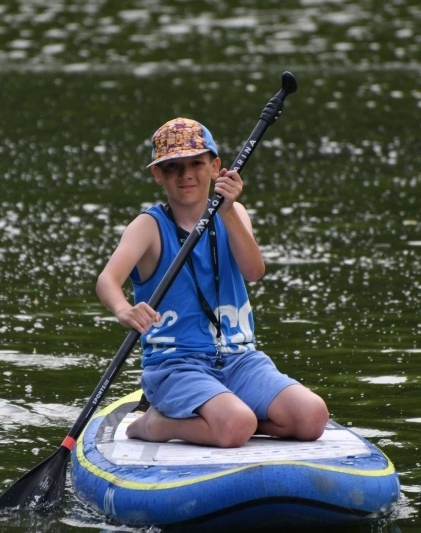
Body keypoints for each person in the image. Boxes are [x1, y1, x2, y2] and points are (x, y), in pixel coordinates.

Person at [96, 117, 328, 448]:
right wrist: (123, 309)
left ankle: (227, 421)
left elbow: (254, 271)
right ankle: (158, 424)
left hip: (240, 359)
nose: (186, 174)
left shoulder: (235, 214)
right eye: (173, 166)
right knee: (236, 423)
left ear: (216, 166)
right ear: (158, 174)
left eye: (196, 163)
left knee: (312, 416)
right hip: (176, 365)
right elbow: (107, 279)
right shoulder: (147, 227)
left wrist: (230, 211)